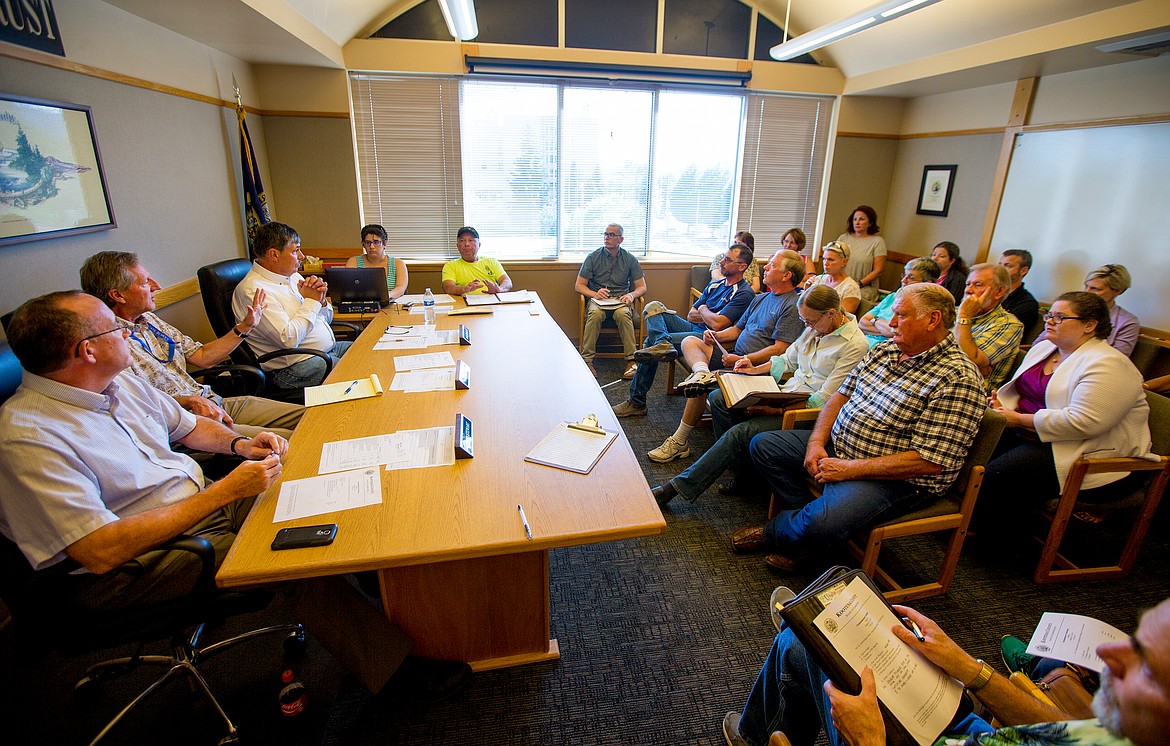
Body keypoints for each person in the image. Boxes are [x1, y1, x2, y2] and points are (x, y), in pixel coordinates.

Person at [0, 292, 471, 705]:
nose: (128, 333)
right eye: (117, 327)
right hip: (131, 565)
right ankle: (394, 673)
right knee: (289, 555)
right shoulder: (28, 437)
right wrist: (224, 491)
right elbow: (100, 551)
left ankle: (388, 597)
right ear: (87, 350)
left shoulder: (116, 384)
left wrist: (239, 445)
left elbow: (188, 427)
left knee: (320, 489)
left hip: (198, 502)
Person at [734, 284, 984, 571]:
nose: (890, 324)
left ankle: (779, 532)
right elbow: (839, 396)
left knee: (823, 521)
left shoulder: (958, 378)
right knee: (764, 445)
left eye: (901, 316)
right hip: (840, 448)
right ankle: (814, 532)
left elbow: (930, 461)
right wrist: (816, 443)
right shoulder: (886, 351)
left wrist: (849, 469)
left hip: (895, 479)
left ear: (933, 320)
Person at [723, 596, 1170, 746]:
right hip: (971, 731)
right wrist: (970, 669)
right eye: (1134, 639)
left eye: (1147, 669)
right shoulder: (1119, 733)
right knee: (824, 641)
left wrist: (870, 741)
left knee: (798, 643)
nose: (1109, 652)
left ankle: (756, 734)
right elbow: (1064, 733)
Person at [651, 285, 869, 506]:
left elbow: (824, 399)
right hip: (784, 393)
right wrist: (753, 368)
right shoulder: (817, 326)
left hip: (805, 412)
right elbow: (787, 360)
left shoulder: (855, 345)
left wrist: (776, 410)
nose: (807, 326)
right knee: (719, 398)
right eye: (805, 322)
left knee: (739, 433)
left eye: (810, 321)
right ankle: (746, 472)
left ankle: (677, 488)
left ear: (831, 313)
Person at [79, 251, 304, 441]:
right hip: (188, 422)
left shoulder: (150, 320)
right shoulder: (109, 343)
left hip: (213, 402)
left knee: (308, 417)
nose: (157, 286)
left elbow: (202, 356)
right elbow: (138, 406)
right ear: (118, 295)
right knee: (292, 439)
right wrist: (188, 401)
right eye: (146, 282)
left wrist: (245, 327)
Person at [981, 291, 1152, 524]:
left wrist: (1019, 419)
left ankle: (989, 536)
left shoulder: (1108, 363)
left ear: (1090, 325)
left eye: (1060, 317)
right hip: (1036, 433)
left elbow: (1085, 422)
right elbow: (1021, 391)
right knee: (973, 449)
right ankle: (967, 519)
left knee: (997, 474)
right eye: (1049, 315)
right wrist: (1003, 407)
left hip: (1086, 451)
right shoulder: (1045, 348)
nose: (1049, 321)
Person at [644, 251, 805, 464]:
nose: (765, 267)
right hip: (733, 354)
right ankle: (702, 374)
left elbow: (779, 349)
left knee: (699, 386)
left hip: (753, 367)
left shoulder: (792, 305)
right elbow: (737, 330)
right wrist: (716, 336)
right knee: (690, 341)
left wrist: (744, 358)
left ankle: (679, 441)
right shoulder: (762, 298)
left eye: (772, 265)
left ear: (787, 276)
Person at [612, 242, 754, 417]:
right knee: (654, 306)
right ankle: (663, 343)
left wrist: (703, 309)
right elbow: (690, 315)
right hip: (693, 327)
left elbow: (718, 324)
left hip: (707, 339)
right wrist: (707, 314)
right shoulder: (716, 285)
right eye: (723, 258)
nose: (722, 262)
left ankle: (637, 401)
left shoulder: (743, 293)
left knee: (650, 342)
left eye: (727, 260)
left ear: (742, 266)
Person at [233, 222, 351, 390]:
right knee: (357, 372)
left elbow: (327, 319)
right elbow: (288, 339)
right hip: (294, 367)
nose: (302, 255)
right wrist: (311, 301)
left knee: (368, 352)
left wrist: (322, 301)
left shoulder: (293, 276)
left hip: (325, 351)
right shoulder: (254, 290)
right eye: (295, 250)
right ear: (274, 254)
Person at [576, 223, 647, 379]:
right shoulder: (593, 257)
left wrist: (631, 295)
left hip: (620, 300)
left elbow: (642, 287)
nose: (607, 238)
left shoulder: (629, 259)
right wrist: (594, 293)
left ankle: (631, 361)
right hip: (598, 301)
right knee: (594, 315)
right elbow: (579, 285)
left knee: (623, 315)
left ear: (620, 240)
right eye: (605, 234)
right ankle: (587, 361)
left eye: (611, 235)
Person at [1033, 264, 1140, 357]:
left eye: (1095, 289)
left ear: (1117, 291)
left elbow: (1117, 358)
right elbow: (1037, 344)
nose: (1087, 292)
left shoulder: (1127, 322)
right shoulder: (1069, 310)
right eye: (1086, 286)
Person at [953, 263, 1023, 393]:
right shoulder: (953, 311)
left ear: (999, 292)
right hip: (939, 377)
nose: (968, 290)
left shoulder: (1008, 324)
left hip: (967, 392)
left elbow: (967, 361)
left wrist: (964, 317)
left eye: (978, 285)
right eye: (968, 284)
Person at [858, 257, 939, 347]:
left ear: (926, 283)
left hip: (885, 348)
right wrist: (881, 326)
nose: (903, 280)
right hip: (861, 341)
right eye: (904, 275)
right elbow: (862, 322)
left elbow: (898, 333)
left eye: (911, 278)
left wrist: (874, 321)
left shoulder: (923, 307)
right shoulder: (892, 297)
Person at [834, 205, 887, 303]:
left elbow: (878, 270)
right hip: (841, 283)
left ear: (870, 222)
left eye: (861, 219)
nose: (857, 222)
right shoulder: (843, 238)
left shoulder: (877, 242)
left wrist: (858, 284)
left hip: (864, 287)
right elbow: (832, 259)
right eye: (855, 219)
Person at [441, 226, 512, 297]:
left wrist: (499, 289)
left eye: (471, 240)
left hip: (492, 302)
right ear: (457, 245)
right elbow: (448, 288)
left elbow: (507, 281)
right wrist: (465, 289)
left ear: (479, 245)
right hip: (465, 304)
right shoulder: (450, 265)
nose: (467, 244)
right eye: (462, 241)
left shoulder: (492, 262)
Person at [347, 223, 409, 301]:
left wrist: (387, 295)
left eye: (376, 242)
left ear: (385, 243)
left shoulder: (398, 263)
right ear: (364, 245)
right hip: (361, 305)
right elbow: (348, 288)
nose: (372, 247)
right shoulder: (354, 262)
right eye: (368, 243)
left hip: (390, 305)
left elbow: (401, 288)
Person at [800, 241, 861, 314]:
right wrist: (806, 291)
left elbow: (842, 316)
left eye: (830, 260)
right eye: (824, 259)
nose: (825, 263)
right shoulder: (818, 279)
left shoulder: (850, 288)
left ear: (844, 262)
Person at [998, 249, 1040, 332]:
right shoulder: (991, 292)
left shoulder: (1027, 303)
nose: (1000, 270)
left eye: (1007, 266)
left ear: (1023, 270)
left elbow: (1004, 331)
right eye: (1000, 265)